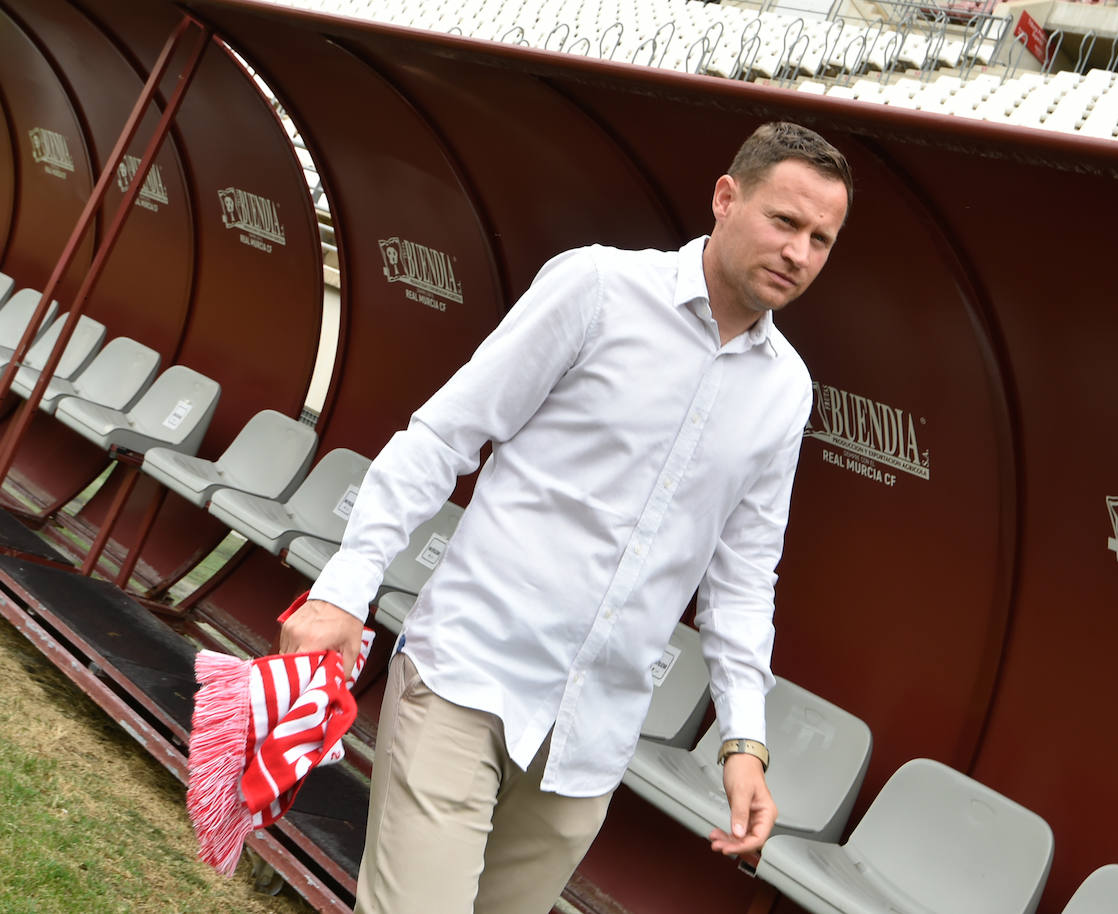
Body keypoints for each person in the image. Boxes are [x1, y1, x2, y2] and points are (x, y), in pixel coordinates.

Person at [281, 121, 853, 914]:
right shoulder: (597, 288)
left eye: (822, 239)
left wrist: (743, 742)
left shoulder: (788, 390)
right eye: (785, 222)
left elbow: (744, 580)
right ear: (726, 199)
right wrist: (343, 589)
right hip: (465, 680)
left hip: (590, 741)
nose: (800, 253)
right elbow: (443, 437)